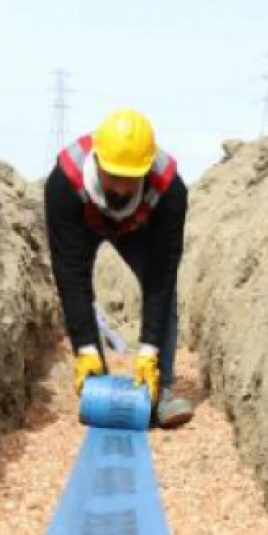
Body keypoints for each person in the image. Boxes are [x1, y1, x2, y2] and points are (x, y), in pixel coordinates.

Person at [43, 108, 195, 429]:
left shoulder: (169, 191)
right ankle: (96, 378)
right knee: (80, 304)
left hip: (142, 229)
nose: (122, 189)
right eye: (114, 177)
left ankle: (160, 389)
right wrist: (85, 348)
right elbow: (70, 275)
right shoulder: (64, 184)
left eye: (131, 179)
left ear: (146, 170)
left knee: (164, 295)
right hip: (85, 222)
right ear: (97, 161)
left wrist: (148, 350)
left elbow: (161, 277)